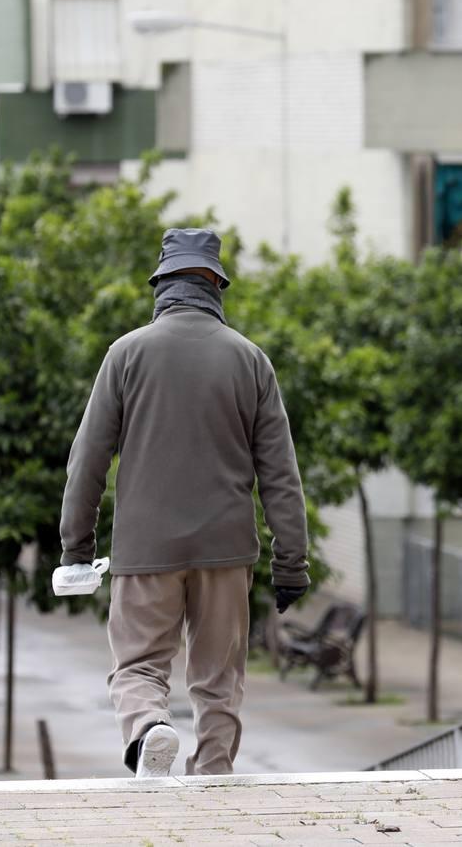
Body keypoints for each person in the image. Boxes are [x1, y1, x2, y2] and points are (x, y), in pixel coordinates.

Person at [56, 227, 310, 778]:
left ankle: (149, 727)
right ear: (217, 285)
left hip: (146, 551)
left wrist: (77, 549)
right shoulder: (251, 361)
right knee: (220, 680)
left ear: (161, 285)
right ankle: (213, 778)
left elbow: (88, 460)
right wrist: (291, 563)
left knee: (139, 665)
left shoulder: (125, 355)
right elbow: (280, 475)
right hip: (226, 551)